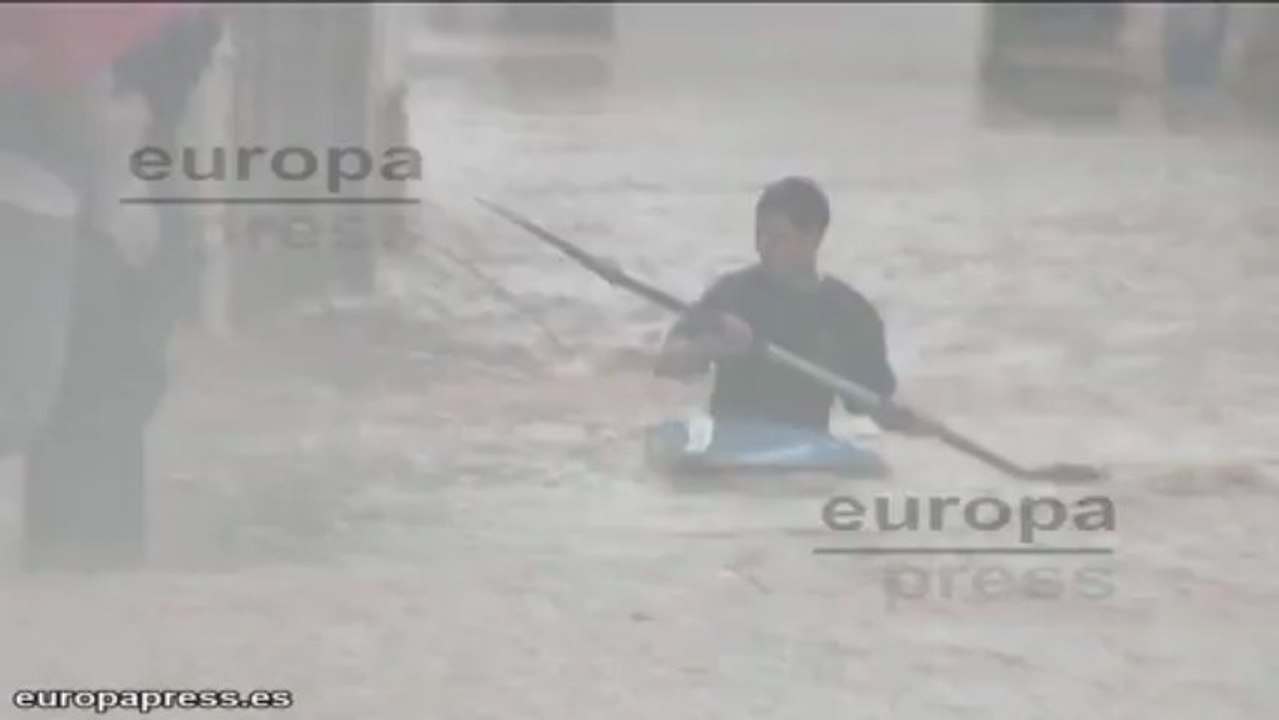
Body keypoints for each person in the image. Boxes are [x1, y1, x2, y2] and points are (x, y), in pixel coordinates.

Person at [655, 176, 928, 436]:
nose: (763, 246)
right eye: (759, 234)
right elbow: (666, 365)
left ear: (812, 238)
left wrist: (905, 418)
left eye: (777, 237)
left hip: (802, 446)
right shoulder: (733, 293)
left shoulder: (850, 313)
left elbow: (876, 402)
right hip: (729, 439)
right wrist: (710, 346)